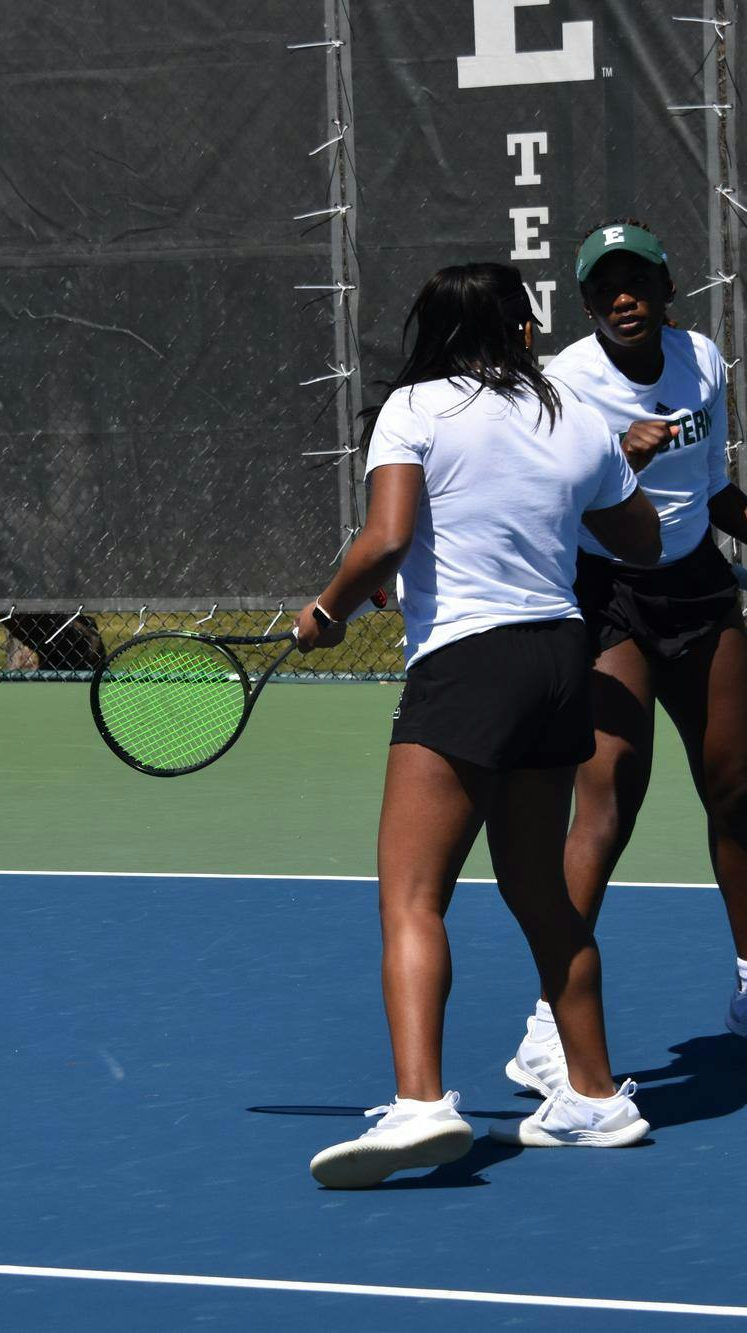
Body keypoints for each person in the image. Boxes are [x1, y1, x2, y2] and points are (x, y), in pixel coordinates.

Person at [295, 262, 663, 1189]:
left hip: (468, 664)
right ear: (524, 332)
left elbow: (383, 540)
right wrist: (604, 475)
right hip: (557, 662)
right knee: (542, 892)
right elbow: (642, 541)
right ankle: (595, 1096)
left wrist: (327, 611)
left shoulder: (413, 411)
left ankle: (420, 1105)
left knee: (412, 896)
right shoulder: (576, 417)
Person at [504, 220, 747, 1101]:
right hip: (608, 590)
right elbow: (547, 493)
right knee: (609, 796)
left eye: (639, 282)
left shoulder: (701, 362)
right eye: (606, 286)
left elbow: (715, 490)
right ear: (586, 303)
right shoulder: (566, 382)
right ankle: (547, 1023)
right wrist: (618, 458)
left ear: (665, 290)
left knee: (734, 785)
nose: (624, 298)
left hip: (696, 584)